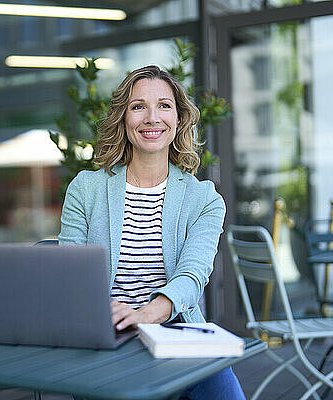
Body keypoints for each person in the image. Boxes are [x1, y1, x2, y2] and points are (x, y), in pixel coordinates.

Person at [58, 65, 244, 399]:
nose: (151, 118)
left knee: (223, 388)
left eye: (164, 105)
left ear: (179, 118)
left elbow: (192, 276)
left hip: (176, 332)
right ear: (123, 118)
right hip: (105, 334)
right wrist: (109, 315)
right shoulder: (86, 188)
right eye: (138, 106)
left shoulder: (204, 199)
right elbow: (68, 274)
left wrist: (143, 315)